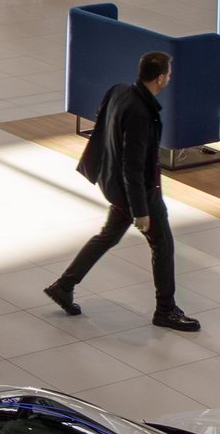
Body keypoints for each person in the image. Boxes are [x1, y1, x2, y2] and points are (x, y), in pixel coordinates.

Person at [46, 52, 199, 332]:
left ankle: (64, 286)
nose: (170, 77)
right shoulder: (141, 113)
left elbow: (103, 123)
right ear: (160, 78)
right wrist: (140, 210)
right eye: (169, 73)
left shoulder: (119, 91)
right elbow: (133, 165)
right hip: (138, 192)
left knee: (108, 236)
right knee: (163, 246)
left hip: (115, 184)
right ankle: (165, 310)